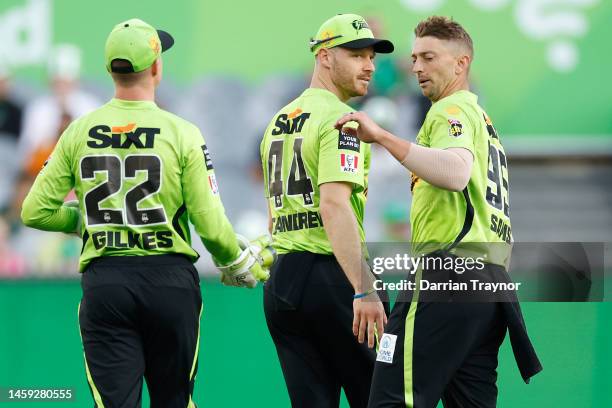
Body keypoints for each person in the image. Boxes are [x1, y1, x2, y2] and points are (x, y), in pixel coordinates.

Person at [21, 18, 270, 408]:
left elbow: (35, 211)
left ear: (109, 70)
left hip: (106, 284)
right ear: (156, 67)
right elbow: (210, 223)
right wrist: (235, 261)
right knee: (174, 401)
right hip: (169, 282)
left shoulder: (78, 130)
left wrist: (84, 220)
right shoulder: (181, 131)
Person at [335, 16, 542, 408]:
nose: (416, 67)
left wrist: (380, 135)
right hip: (489, 285)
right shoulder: (484, 122)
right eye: (414, 58)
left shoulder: (451, 110)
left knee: (392, 401)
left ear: (461, 64)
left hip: (445, 277)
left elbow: (455, 173)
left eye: (428, 57)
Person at [260, 14, 393, 408]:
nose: (368, 65)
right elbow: (334, 205)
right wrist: (365, 286)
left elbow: (273, 214)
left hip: (284, 284)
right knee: (383, 397)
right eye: (355, 54)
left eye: (371, 56)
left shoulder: (277, 121)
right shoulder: (342, 121)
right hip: (335, 279)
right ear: (323, 57)